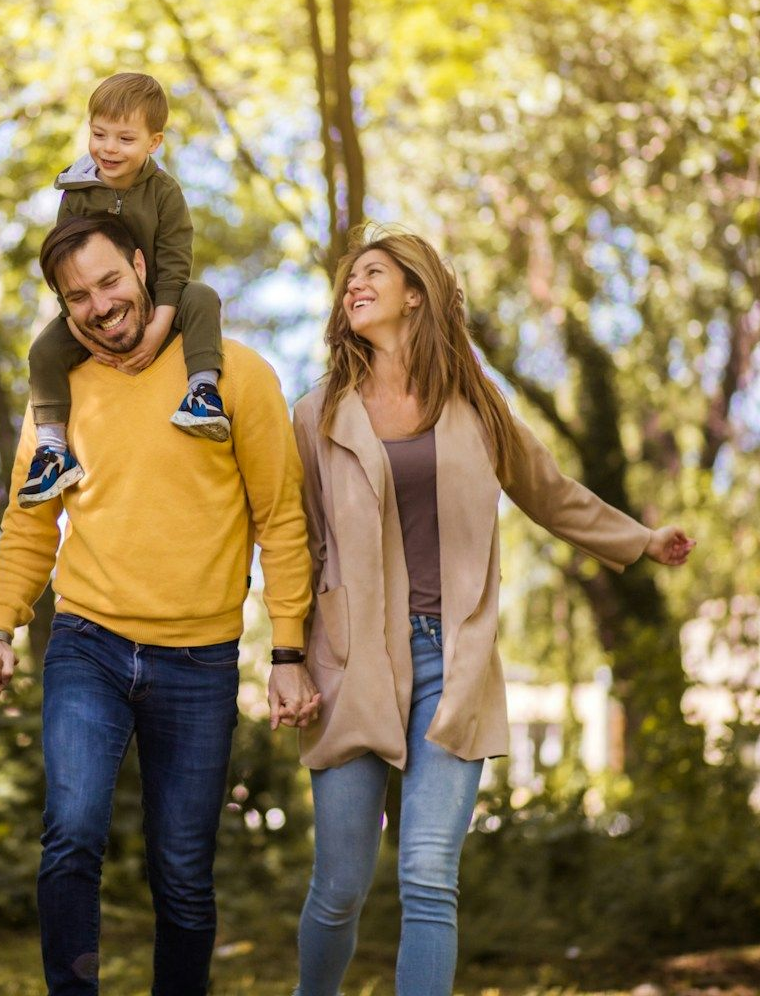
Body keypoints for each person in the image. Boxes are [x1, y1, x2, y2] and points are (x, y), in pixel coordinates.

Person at [291, 228, 695, 996]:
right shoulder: (317, 415)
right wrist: (288, 658)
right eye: (349, 279)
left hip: (453, 659)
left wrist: (640, 540)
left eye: (373, 272)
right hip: (352, 662)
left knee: (428, 875)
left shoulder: (474, 405)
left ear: (418, 292)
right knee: (340, 886)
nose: (354, 285)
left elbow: (548, 490)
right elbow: (293, 543)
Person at [0, 213, 322, 996]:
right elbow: (30, 524)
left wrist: (289, 651)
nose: (99, 306)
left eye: (109, 282)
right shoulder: (56, 398)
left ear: (140, 266)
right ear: (64, 310)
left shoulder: (236, 374)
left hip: (199, 660)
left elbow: (281, 520)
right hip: (88, 643)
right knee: (70, 835)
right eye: (78, 297)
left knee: (184, 870)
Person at [18, 71, 228, 508]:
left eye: (125, 139)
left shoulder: (165, 193)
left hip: (159, 299)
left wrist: (159, 326)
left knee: (203, 296)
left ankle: (203, 392)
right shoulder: (76, 192)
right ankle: (53, 447)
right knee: (43, 352)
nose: (109, 149)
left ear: (154, 143)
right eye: (99, 134)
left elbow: (175, 262)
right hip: (94, 307)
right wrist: (81, 333)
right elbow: (63, 267)